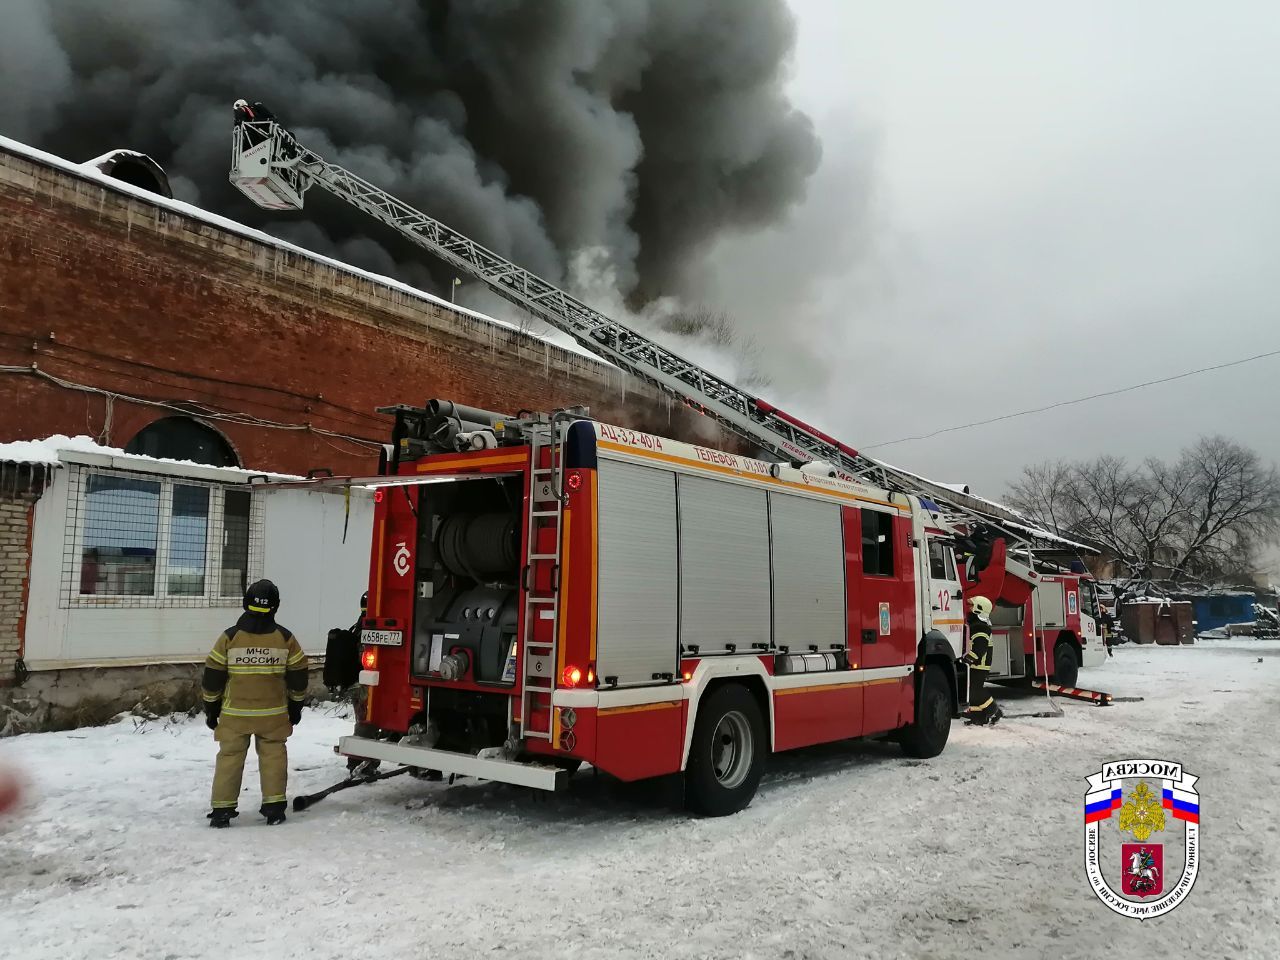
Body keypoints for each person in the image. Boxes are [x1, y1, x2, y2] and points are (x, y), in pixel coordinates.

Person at [202, 579, 310, 827]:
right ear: (276, 606)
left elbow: (213, 676)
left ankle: (222, 810)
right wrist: (295, 706)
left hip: (234, 715)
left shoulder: (230, 637)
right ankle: (274, 807)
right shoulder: (285, 639)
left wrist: (211, 708)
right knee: (273, 755)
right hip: (273, 715)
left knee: (229, 757)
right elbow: (298, 676)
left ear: (245, 603)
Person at [962, 595, 1002, 726]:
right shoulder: (977, 625)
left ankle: (994, 710)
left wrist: (968, 660)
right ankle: (978, 717)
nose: (969, 608)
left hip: (979, 665)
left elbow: (979, 649)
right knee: (971, 692)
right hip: (976, 665)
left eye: (972, 606)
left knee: (976, 691)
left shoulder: (980, 627)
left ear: (979, 609)